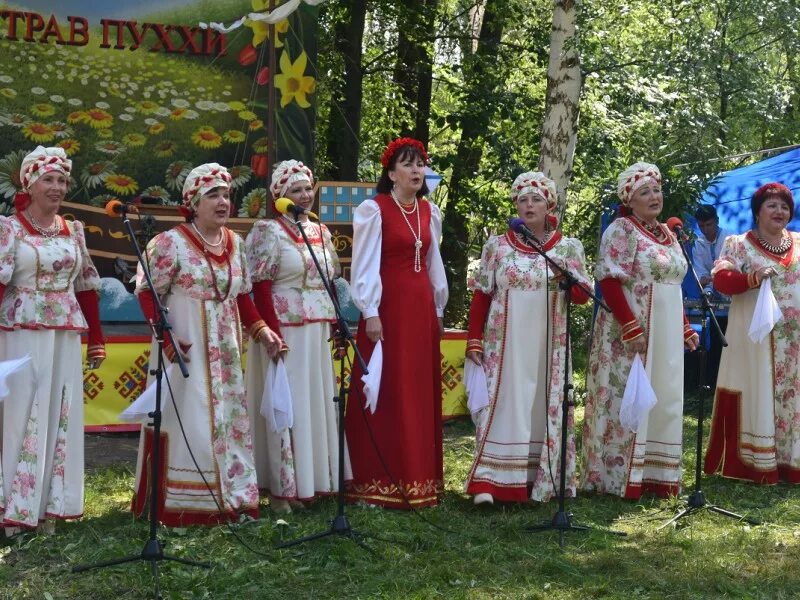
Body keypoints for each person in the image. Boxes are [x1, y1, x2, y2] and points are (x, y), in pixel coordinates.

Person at [131, 163, 282, 526]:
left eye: (226, 195)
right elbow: (148, 293)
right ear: (193, 203)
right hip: (186, 344)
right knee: (193, 415)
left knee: (230, 417)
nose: (222, 202)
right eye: (212, 195)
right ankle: (190, 501)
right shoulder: (170, 243)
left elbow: (243, 296)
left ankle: (234, 496)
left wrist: (262, 331)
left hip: (226, 347)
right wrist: (166, 337)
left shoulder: (236, 244)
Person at [464, 172, 591, 505]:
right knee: (502, 401)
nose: (529, 205)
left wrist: (570, 280)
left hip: (548, 344)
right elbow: (481, 294)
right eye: (523, 199)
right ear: (515, 206)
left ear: (549, 204)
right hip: (504, 341)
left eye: (536, 199)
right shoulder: (497, 245)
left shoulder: (566, 248)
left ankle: (540, 479)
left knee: (541, 403)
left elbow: (582, 297)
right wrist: (473, 340)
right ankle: (489, 482)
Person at [0, 146, 105, 535]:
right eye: (49, 179)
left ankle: (49, 509)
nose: (58, 187)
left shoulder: (73, 230)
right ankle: (14, 512)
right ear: (29, 183)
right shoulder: (8, 229)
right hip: (20, 330)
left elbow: (87, 285)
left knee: (60, 410)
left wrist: (96, 339)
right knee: (22, 412)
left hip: (63, 330)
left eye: (62, 180)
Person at [581, 162, 699, 499]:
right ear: (629, 200)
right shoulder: (623, 229)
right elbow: (608, 277)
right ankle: (617, 476)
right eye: (644, 191)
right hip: (630, 333)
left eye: (657, 190)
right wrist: (630, 325)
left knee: (664, 396)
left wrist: (685, 328)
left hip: (665, 337)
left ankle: (657, 475)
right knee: (627, 396)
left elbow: (673, 286)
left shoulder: (669, 234)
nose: (654, 196)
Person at [345, 137, 448, 508]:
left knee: (417, 388)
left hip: (420, 308)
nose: (417, 170)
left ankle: (420, 479)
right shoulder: (375, 210)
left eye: (420, 163)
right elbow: (365, 263)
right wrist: (369, 310)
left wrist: (438, 308)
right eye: (408, 164)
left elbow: (435, 264)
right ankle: (377, 481)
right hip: (388, 308)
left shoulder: (428, 211)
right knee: (388, 386)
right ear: (391, 174)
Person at [245, 160, 349, 514]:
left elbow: (330, 281)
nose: (305, 196)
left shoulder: (320, 232)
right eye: (296, 190)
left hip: (317, 328)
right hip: (285, 328)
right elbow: (258, 286)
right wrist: (270, 333)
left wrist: (337, 326)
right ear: (279, 197)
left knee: (315, 401)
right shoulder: (267, 232)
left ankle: (314, 480)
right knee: (286, 403)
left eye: (307, 189)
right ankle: (281, 488)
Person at [704, 182, 800, 484]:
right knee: (760, 390)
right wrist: (752, 278)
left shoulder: (799, 241)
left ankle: (792, 461)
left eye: (785, 206)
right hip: (756, 342)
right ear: (757, 212)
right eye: (772, 205)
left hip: (794, 342)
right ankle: (758, 461)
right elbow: (721, 280)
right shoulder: (738, 244)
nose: (779, 211)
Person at [692, 204, 730, 385]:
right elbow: (701, 276)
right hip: (716, 301)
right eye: (701, 226)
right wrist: (708, 289)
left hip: (733, 297)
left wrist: (712, 278)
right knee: (716, 340)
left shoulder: (730, 239)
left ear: (717, 221)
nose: (706, 230)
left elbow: (729, 270)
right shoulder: (698, 244)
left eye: (709, 225)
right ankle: (714, 382)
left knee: (733, 340)